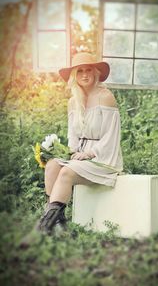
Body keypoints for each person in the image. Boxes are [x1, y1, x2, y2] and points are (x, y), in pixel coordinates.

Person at [37, 52, 123, 234]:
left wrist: (90, 153)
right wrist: (67, 152)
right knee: (52, 165)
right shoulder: (72, 101)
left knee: (66, 172)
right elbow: (73, 136)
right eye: (80, 71)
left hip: (103, 158)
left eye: (89, 70)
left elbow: (111, 135)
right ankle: (58, 223)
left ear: (95, 73)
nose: (85, 74)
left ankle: (44, 227)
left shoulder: (105, 96)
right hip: (80, 157)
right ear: (74, 76)